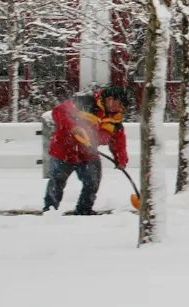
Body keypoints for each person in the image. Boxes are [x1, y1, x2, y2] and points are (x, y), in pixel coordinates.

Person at [44, 85, 129, 214]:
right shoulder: (84, 103)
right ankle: (50, 210)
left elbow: (119, 141)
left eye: (123, 106)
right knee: (57, 181)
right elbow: (58, 112)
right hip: (63, 151)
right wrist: (73, 127)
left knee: (92, 181)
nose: (120, 108)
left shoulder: (115, 120)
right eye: (119, 104)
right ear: (110, 99)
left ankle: (84, 210)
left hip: (88, 154)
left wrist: (121, 159)